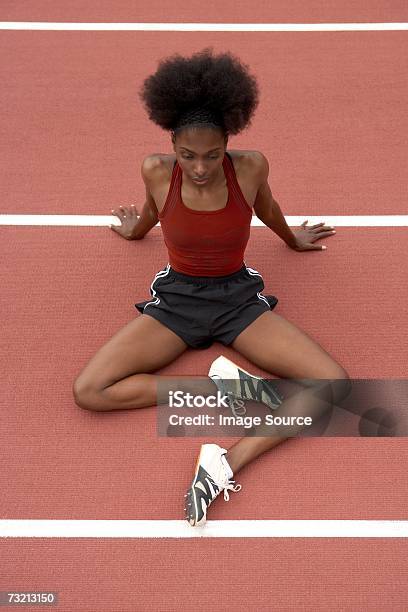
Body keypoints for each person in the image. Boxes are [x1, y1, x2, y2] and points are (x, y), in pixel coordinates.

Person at [72, 48, 350, 527]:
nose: (200, 168)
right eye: (188, 156)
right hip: (178, 301)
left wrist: (292, 238)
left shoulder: (251, 168)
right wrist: (132, 231)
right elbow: (151, 214)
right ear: (172, 147)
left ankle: (226, 463)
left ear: (229, 144)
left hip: (237, 301)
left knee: (336, 385)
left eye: (212, 155)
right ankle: (224, 390)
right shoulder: (156, 171)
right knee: (90, 391)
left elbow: (265, 206)